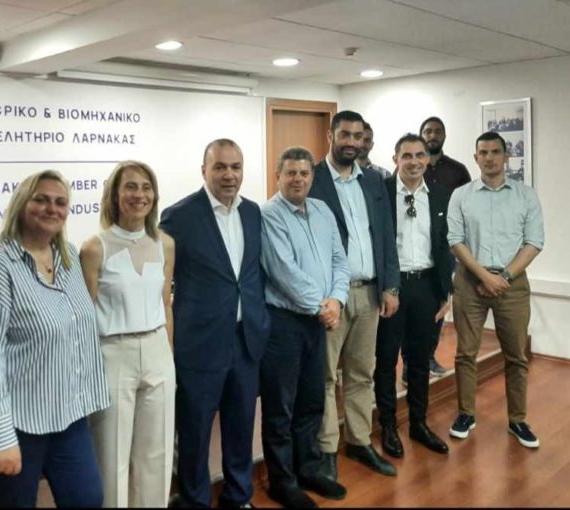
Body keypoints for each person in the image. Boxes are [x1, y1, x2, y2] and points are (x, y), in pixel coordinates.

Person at [0, 170, 110, 507]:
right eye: (41, 200)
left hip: (69, 417)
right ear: (21, 204)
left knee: (88, 500)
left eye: (60, 202)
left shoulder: (68, 256)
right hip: (19, 425)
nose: (52, 209)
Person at [160, 139, 270, 508]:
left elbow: (251, 274)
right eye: (220, 167)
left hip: (245, 340)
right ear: (204, 170)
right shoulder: (178, 217)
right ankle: (194, 501)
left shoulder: (252, 212)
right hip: (200, 345)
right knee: (195, 432)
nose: (229, 175)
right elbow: (162, 280)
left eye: (236, 167)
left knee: (241, 426)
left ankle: (238, 497)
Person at [308, 110, 400, 479]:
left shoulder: (373, 181)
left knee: (362, 373)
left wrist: (390, 285)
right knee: (325, 377)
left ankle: (359, 441)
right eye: (344, 134)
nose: (351, 142)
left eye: (357, 136)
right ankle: (327, 448)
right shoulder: (311, 179)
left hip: (370, 293)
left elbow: (386, 235)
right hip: (331, 296)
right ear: (330, 136)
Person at [80, 161, 176, 508]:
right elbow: (85, 317)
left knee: (157, 455)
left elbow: (165, 305)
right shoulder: (95, 248)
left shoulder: (165, 244)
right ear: (115, 195)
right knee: (111, 457)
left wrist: (169, 356)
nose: (139, 195)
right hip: (112, 353)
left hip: (157, 350)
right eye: (131, 187)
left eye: (146, 187)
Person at [260, 147, 350, 508]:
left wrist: (337, 300)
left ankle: (308, 468)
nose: (298, 179)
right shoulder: (269, 214)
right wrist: (323, 307)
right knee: (281, 407)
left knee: (311, 401)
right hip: (284, 324)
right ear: (278, 176)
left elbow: (339, 260)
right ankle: (282, 482)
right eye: (291, 173)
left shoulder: (323, 210)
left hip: (317, 321)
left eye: (304, 173)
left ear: (312, 177)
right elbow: (284, 272)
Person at [447, 131, 544, 449]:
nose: (489, 158)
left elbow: (534, 242)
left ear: (506, 157)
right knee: (465, 353)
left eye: (495, 152)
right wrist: (483, 277)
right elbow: (455, 240)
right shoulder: (461, 195)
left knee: (516, 355)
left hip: (512, 284)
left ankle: (518, 420)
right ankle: (466, 414)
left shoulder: (525, 196)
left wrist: (503, 276)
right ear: (475, 158)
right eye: (483, 152)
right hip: (469, 282)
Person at [374, 134, 453, 460]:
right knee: (386, 360)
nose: (414, 161)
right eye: (406, 155)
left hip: (427, 286)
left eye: (420, 155)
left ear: (427, 159)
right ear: (395, 160)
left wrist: (445, 291)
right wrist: (386, 288)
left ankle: (419, 423)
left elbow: (446, 244)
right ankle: (388, 426)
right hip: (392, 288)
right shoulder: (380, 193)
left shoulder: (440, 195)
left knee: (420, 360)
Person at [416, 116, 473, 377]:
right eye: (428, 131)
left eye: (437, 131)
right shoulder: (413, 165)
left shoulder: (458, 171)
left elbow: (468, 207)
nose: (432, 135)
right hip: (415, 246)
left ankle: (429, 356)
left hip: (446, 248)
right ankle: (411, 363)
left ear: (444, 136)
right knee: (414, 308)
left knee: (439, 303)